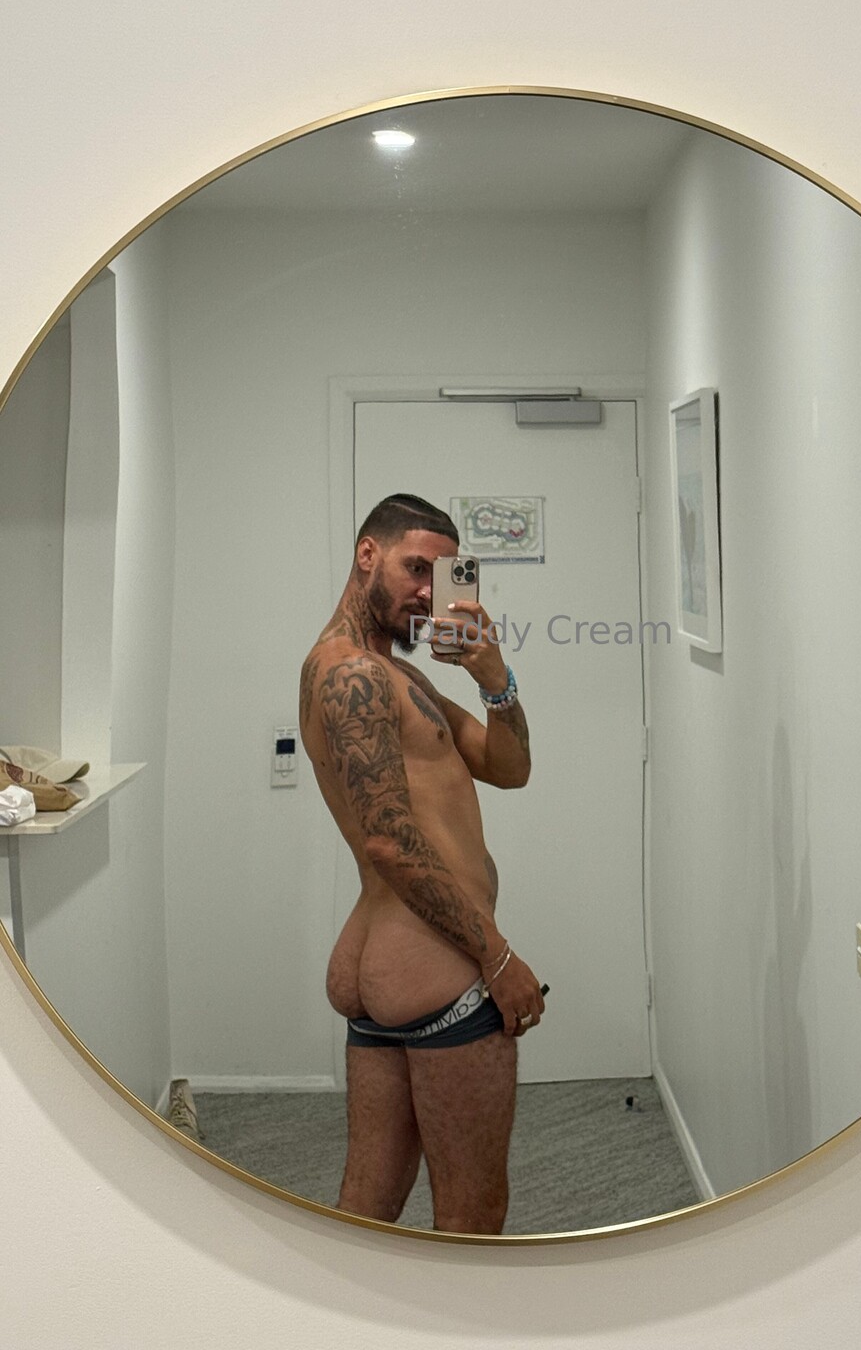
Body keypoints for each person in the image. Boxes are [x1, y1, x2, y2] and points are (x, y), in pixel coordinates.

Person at [299, 492, 545, 1234]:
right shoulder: (352, 676)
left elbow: (509, 768)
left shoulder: (399, 675)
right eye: (413, 568)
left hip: (392, 967)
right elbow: (387, 840)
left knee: (368, 1205)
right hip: (439, 968)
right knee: (474, 1210)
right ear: (366, 555)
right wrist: (497, 957)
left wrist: (494, 678)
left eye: (438, 577)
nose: (426, 593)